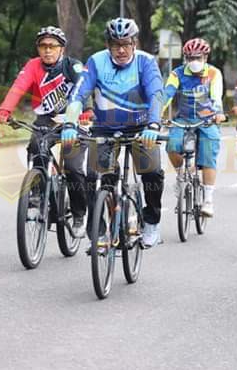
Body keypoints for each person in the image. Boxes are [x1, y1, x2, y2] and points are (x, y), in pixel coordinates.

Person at [61, 17, 166, 248]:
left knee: (152, 173)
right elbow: (78, 95)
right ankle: (99, 233)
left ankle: (151, 222)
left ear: (134, 43)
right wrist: (69, 123)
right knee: (94, 177)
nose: (120, 49)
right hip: (104, 128)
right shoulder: (96, 62)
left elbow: (157, 95)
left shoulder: (146, 62)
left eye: (126, 43)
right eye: (115, 44)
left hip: (142, 128)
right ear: (108, 44)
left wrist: (154, 125)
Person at [0, 26, 91, 236]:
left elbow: (84, 90)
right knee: (37, 146)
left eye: (52, 46)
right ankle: (38, 191)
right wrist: (5, 109)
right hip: (46, 119)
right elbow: (18, 87)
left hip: (74, 120)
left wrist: (87, 112)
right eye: (42, 46)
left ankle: (78, 214)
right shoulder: (33, 66)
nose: (47, 50)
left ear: (62, 49)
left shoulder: (73, 66)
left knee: (73, 167)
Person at [163, 38, 226, 218]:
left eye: (197, 58)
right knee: (172, 146)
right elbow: (166, 95)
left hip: (208, 119)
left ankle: (208, 200)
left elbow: (216, 97)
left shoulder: (214, 73)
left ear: (205, 57)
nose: (194, 62)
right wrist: (156, 114)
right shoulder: (177, 74)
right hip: (183, 119)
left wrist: (218, 114)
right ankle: (182, 173)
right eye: (190, 58)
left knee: (208, 154)